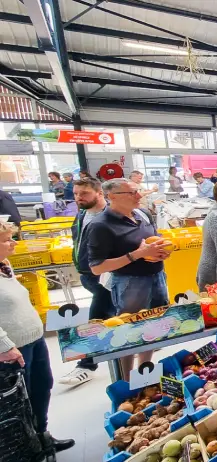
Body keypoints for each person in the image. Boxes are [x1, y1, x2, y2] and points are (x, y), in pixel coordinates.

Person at [0, 221, 76, 453]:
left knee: (42, 387)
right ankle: (25, 447)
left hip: (33, 340)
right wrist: (4, 345)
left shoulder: (5, 266)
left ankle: (42, 435)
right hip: (12, 348)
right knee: (19, 401)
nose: (13, 243)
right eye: (6, 240)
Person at [88, 178, 171, 378]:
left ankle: (145, 372)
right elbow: (97, 268)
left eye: (138, 191)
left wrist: (161, 252)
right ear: (112, 197)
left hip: (157, 276)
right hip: (129, 283)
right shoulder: (100, 225)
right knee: (129, 331)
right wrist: (137, 255)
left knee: (153, 326)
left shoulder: (142, 214)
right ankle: (126, 378)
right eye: (132, 193)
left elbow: (154, 239)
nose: (139, 196)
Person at [57, 178, 111, 386]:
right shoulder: (81, 215)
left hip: (106, 277)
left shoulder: (109, 217)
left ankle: (86, 365)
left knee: (96, 320)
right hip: (88, 274)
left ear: (99, 193)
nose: (79, 197)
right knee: (112, 318)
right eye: (76, 193)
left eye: (84, 193)